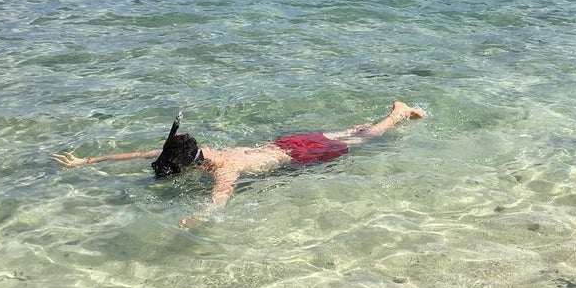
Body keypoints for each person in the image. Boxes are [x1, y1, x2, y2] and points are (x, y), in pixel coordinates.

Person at [52, 101, 425, 228]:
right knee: (348, 133)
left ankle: (396, 115)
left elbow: (219, 201)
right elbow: (138, 154)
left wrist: (193, 219)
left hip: (297, 155)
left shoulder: (224, 170)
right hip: (285, 145)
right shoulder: (212, 153)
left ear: (190, 165)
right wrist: (87, 160)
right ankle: (395, 112)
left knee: (364, 139)